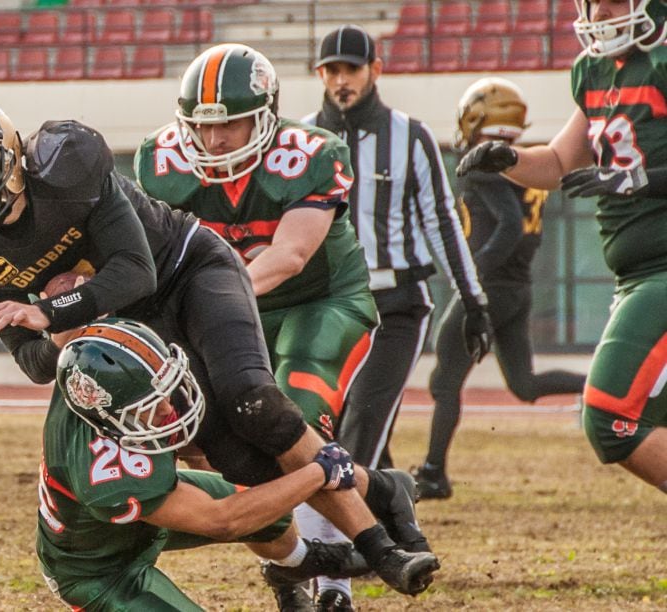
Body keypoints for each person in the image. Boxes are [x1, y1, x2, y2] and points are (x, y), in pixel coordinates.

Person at [0, 97, 441, 600]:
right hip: (135, 320)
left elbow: (136, 272)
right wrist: (58, 332)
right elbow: (35, 365)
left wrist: (52, 309)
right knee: (239, 459)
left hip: (189, 270)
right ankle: (383, 489)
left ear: (9, 160)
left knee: (252, 400)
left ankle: (377, 546)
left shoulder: (65, 167)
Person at [133, 43, 427, 611]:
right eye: (201, 126)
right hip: (225, 311)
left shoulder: (310, 152)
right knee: (219, 448)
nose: (214, 141)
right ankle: (303, 555)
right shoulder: (161, 163)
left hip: (317, 303)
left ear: (266, 116)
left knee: (294, 423)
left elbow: (290, 256)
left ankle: (334, 586)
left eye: (232, 125)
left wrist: (209, 304)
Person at [457, 0, 667, 495]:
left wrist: (634, 179)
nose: (603, 13)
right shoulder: (596, 70)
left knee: (611, 419)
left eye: (615, 2)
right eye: (595, 3)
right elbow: (556, 163)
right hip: (635, 275)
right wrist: (507, 159)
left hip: (661, 273)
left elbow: (624, 175)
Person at [38, 318, 369, 610]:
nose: (169, 408)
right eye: (149, 406)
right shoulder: (107, 481)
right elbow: (223, 520)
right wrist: (319, 470)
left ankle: (293, 565)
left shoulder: (95, 381)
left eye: (164, 390)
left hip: (140, 515)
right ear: (109, 416)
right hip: (101, 570)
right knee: (248, 510)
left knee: (270, 511)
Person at [304, 25, 491, 471]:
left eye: (351, 69)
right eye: (331, 70)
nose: (341, 81)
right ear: (320, 75)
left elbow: (441, 220)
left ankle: (340, 538)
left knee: (363, 426)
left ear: (376, 70)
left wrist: (473, 300)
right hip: (323, 307)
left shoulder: (411, 136)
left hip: (393, 306)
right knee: (325, 427)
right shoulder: (302, 138)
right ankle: (392, 523)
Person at [410, 78, 588, 500]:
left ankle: (433, 472)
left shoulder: (488, 161)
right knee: (524, 384)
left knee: (444, 380)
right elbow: (524, 232)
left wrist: (472, 276)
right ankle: (599, 384)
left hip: (491, 286)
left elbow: (508, 226)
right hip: (516, 287)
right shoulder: (526, 161)